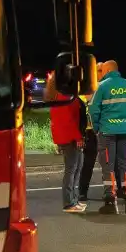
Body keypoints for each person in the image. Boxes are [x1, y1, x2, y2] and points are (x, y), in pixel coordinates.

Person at [88, 60, 126, 214]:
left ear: (105, 70)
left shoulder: (101, 86)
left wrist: (97, 127)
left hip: (107, 133)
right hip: (125, 132)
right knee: (125, 165)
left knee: (108, 167)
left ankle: (110, 201)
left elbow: (93, 109)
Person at [46, 72, 85, 213]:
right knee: (71, 169)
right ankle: (69, 203)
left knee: (77, 167)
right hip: (70, 138)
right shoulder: (63, 97)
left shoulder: (60, 96)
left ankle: (73, 200)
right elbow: (68, 120)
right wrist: (78, 137)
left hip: (70, 136)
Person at [76, 94, 99, 205]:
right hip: (80, 134)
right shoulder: (77, 98)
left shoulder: (97, 95)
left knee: (88, 166)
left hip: (93, 134)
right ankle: (78, 192)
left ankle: (82, 192)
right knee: (78, 166)